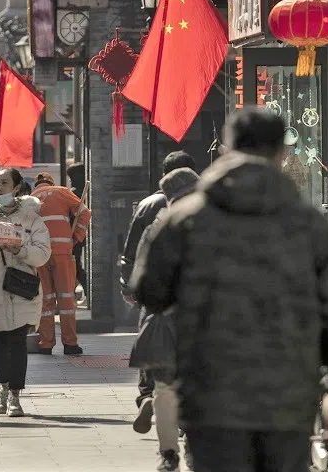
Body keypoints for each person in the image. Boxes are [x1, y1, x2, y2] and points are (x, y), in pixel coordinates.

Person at [131, 108, 328, 472]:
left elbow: (148, 292)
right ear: (281, 153)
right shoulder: (310, 224)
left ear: (226, 149)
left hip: (210, 391)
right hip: (289, 393)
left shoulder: (185, 218)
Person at [121, 150, 197, 435]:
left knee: (155, 349)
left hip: (159, 301)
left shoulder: (150, 210)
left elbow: (133, 253)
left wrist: (130, 286)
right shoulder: (211, 211)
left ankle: (148, 397)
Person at [0, 168, 51, 417]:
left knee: (17, 343)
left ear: (16, 188)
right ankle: (2, 389)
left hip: (21, 290)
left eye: (4, 183)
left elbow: (43, 254)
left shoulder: (32, 218)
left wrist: (19, 251)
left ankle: (15, 396)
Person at [131, 167, 200, 472]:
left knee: (166, 389)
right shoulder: (222, 223)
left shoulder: (159, 226)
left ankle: (169, 454)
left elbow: (142, 285)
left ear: (168, 197)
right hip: (213, 320)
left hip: (170, 320)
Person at [31, 172, 90, 356]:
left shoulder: (30, 199)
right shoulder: (61, 192)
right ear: (50, 182)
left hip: (40, 253)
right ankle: (70, 344)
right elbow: (84, 213)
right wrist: (76, 237)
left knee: (45, 300)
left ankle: (46, 344)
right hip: (63, 251)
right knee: (66, 299)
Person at [66, 162, 88, 298]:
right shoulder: (83, 191)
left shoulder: (73, 193)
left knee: (75, 265)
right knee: (76, 264)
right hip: (80, 234)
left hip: (73, 235)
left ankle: (77, 291)